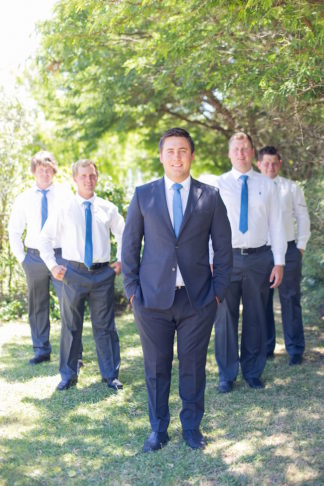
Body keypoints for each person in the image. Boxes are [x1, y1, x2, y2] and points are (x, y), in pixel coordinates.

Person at [122, 128, 232, 452]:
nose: (176, 157)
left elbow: (223, 249)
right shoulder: (144, 195)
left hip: (198, 300)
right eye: (170, 151)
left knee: (194, 367)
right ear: (161, 156)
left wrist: (218, 291)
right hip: (152, 300)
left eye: (182, 150)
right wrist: (132, 291)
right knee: (156, 369)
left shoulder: (209, 196)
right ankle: (158, 430)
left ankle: (192, 428)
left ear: (191, 155)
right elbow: (130, 246)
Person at [203, 132, 287, 393]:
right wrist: (210, 260)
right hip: (226, 259)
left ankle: (252, 372)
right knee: (224, 317)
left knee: (256, 316)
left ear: (252, 152)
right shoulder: (217, 185)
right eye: (236, 149)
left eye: (245, 148)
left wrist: (279, 261)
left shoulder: (268, 185)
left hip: (259, 258)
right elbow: (208, 226)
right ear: (229, 154)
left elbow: (277, 224)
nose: (241, 153)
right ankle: (227, 375)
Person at [39, 159, 124, 391]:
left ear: (97, 177)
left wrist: (121, 261)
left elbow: (125, 233)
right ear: (75, 179)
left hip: (102, 274)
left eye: (92, 175)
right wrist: (52, 265)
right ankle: (68, 375)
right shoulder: (64, 208)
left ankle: (110, 374)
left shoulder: (108, 208)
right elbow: (44, 239)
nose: (89, 180)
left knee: (105, 326)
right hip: (73, 273)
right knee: (70, 325)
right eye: (84, 176)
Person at [8, 151, 72, 365]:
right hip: (34, 258)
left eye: (48, 169)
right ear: (34, 171)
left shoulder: (65, 194)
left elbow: (74, 225)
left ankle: (74, 352)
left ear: (53, 171)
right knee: (37, 306)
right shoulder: (24, 198)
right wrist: (22, 259)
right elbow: (14, 231)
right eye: (40, 169)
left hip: (60, 255)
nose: (44, 173)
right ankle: (41, 350)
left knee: (69, 303)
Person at [257, 146, 311, 365]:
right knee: (263, 301)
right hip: (261, 251)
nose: (270, 166)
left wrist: (300, 246)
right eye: (266, 163)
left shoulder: (291, 188)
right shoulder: (252, 188)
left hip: (288, 250)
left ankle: (296, 349)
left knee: (290, 299)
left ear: (280, 163)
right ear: (258, 164)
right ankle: (267, 347)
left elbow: (303, 217)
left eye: (274, 162)